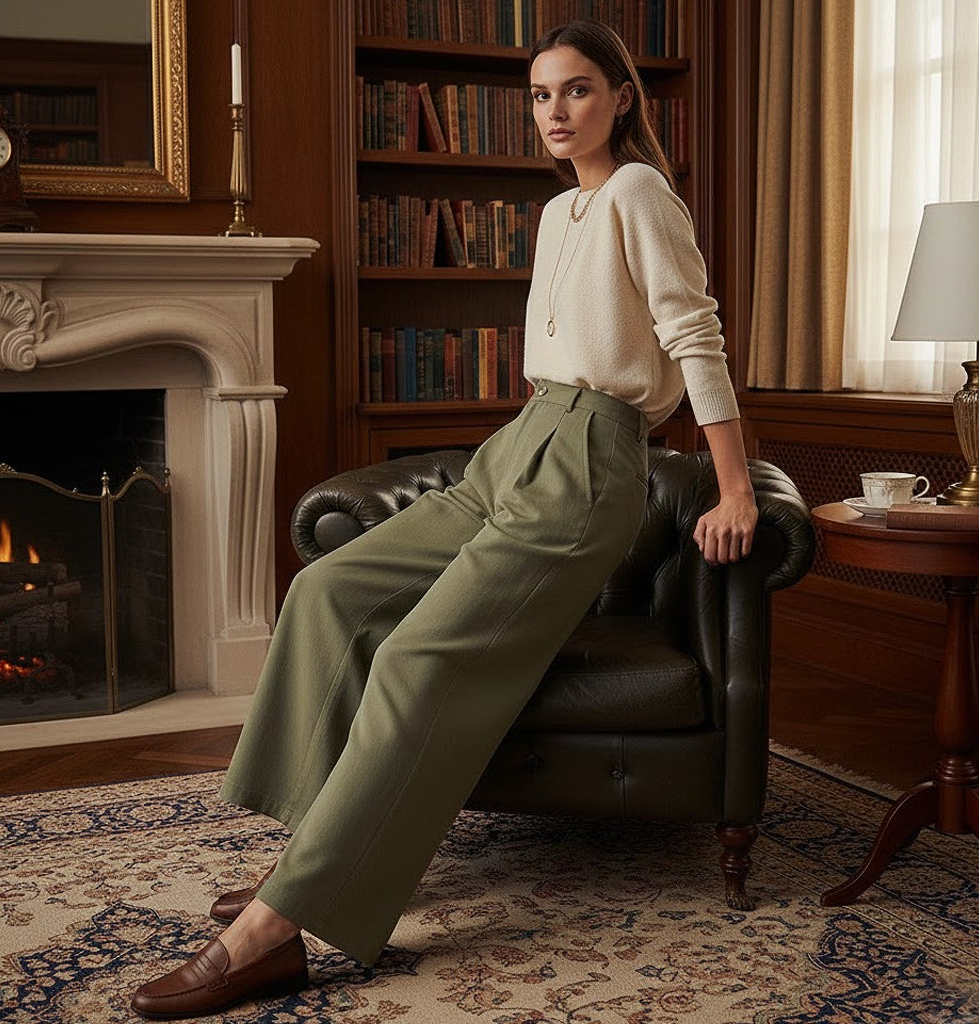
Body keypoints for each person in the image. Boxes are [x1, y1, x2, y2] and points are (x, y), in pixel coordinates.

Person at [130, 18, 759, 1019]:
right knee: (328, 589)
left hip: (589, 464)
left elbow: (696, 337)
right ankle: (309, 853)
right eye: (541, 95)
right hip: (518, 443)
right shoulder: (558, 212)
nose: (556, 111)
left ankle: (275, 929)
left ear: (621, 97)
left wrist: (733, 488)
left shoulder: (641, 192)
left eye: (578, 89)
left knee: (417, 659)